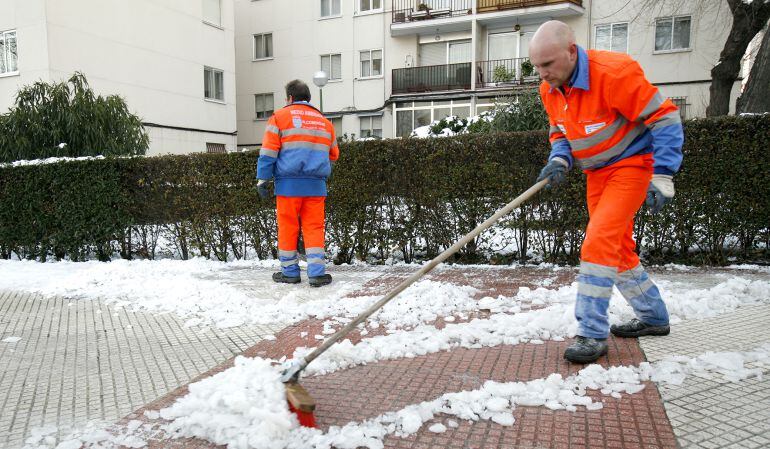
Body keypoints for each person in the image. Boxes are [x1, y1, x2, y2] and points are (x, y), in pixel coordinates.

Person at [530, 21, 684, 363]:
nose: (542, 74)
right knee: (618, 248)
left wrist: (663, 174)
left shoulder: (614, 74)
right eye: (537, 67)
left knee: (598, 241)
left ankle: (591, 332)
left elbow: (666, 117)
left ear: (571, 52)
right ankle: (654, 316)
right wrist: (559, 159)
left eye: (548, 64)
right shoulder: (549, 90)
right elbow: (561, 132)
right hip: (597, 174)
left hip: (632, 164)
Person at [255, 80, 339, 287]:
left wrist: (263, 179)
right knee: (314, 228)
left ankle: (290, 272)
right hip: (316, 187)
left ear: (290, 98)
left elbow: (268, 153)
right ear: (308, 98)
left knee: (288, 227)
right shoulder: (325, 122)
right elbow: (333, 155)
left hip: (288, 187)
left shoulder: (280, 118)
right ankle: (317, 273)